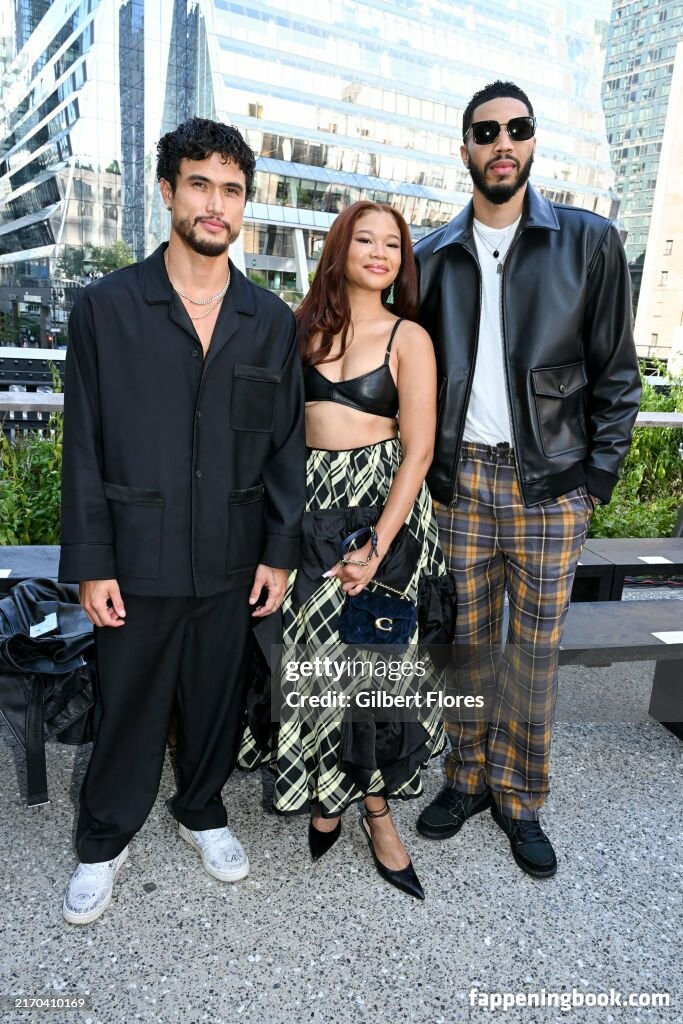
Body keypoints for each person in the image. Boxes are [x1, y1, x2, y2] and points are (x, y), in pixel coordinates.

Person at [59, 117, 306, 924]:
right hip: (136, 553)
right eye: (200, 184)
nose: (215, 204)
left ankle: (201, 807)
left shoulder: (270, 320)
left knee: (215, 698)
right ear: (168, 192)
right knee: (128, 701)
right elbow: (83, 447)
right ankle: (104, 836)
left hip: (233, 554)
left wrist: (279, 550)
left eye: (231, 189)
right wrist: (92, 562)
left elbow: (284, 447)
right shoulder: (105, 309)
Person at [414, 81, 641, 877]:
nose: (501, 142)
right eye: (486, 132)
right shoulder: (431, 255)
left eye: (516, 128)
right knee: (469, 646)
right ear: (466, 149)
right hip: (460, 485)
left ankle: (518, 795)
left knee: (532, 655)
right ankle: (465, 778)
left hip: (550, 487)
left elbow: (616, 375)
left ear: (533, 141)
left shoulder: (588, 242)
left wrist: (593, 484)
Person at [239, 201, 453, 899]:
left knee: (373, 669)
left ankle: (377, 813)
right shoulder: (297, 329)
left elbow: (418, 451)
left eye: (393, 243)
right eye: (365, 239)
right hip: (307, 510)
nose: (380, 252)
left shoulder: (409, 338)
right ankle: (328, 795)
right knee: (313, 661)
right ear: (340, 247)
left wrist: (377, 545)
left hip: (379, 511)